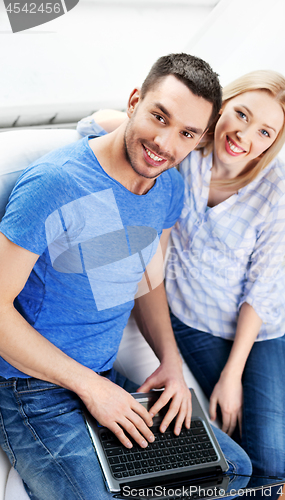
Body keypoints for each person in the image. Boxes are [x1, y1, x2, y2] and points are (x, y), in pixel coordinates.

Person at [0, 53, 252, 500]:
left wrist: (170, 364)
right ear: (134, 101)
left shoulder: (167, 187)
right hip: (29, 390)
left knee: (232, 470)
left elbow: (147, 281)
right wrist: (90, 387)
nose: (165, 143)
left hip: (104, 380)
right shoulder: (54, 184)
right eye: (160, 116)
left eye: (186, 133)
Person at [79, 69, 285, 499]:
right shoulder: (185, 151)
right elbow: (98, 124)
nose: (244, 134)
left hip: (262, 327)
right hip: (192, 321)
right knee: (235, 457)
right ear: (222, 108)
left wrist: (232, 377)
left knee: (271, 465)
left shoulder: (279, 189)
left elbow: (262, 285)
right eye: (240, 113)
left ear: (273, 142)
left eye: (264, 131)